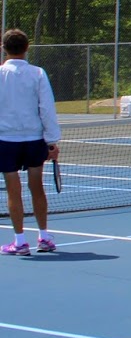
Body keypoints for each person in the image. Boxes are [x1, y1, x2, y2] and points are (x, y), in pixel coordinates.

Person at [0, 29, 62, 255]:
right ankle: (43, 238)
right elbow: (47, 108)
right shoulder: (38, 73)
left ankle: (20, 242)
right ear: (27, 48)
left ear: (4, 48)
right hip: (33, 140)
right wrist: (52, 141)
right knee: (37, 187)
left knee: (13, 191)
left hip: (7, 141)